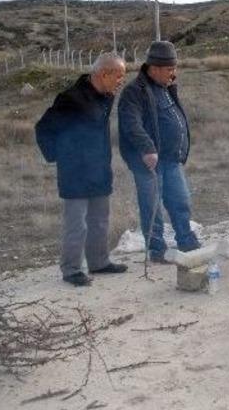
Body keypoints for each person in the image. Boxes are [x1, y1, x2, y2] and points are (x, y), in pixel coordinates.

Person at [35, 53, 128, 286]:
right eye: (119, 76)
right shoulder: (71, 98)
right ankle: (71, 270)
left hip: (99, 170)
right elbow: (43, 128)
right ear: (103, 73)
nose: (121, 81)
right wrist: (58, 156)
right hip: (75, 173)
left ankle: (99, 262)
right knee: (76, 224)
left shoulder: (105, 96)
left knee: (100, 220)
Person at [118, 41, 201, 262]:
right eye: (169, 69)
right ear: (153, 68)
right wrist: (147, 148)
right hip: (148, 162)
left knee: (180, 201)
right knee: (151, 207)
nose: (173, 73)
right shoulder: (134, 92)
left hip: (171, 159)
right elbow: (131, 124)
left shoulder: (165, 87)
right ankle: (157, 250)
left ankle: (186, 240)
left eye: (174, 68)